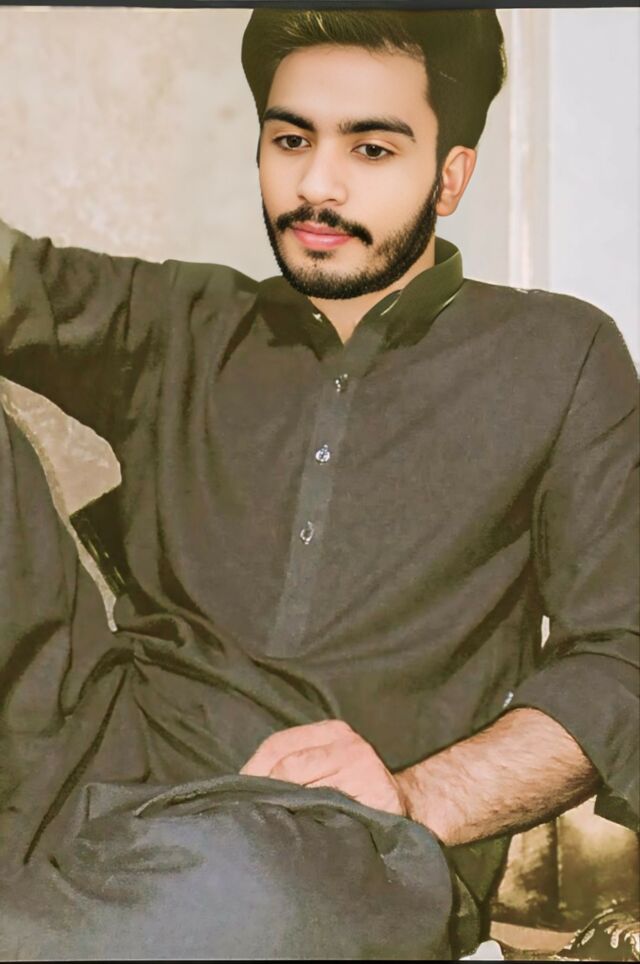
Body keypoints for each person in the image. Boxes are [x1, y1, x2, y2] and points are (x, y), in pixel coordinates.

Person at [0, 7, 637, 960]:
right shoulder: (183, 317)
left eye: (371, 149)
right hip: (86, 757)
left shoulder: (558, 352)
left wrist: (414, 797)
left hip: (327, 844)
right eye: (291, 140)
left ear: (450, 175)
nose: (315, 185)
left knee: (245, 897)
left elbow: (621, 657)